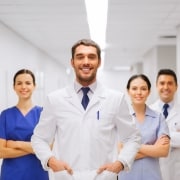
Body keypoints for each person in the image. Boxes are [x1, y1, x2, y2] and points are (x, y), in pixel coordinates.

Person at [31, 39, 141, 180]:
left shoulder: (115, 99)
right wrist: (50, 161)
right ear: (72, 62)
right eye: (80, 57)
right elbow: (39, 138)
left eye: (91, 57)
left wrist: (120, 163)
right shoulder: (55, 99)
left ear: (99, 62)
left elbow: (132, 137)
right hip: (66, 176)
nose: (86, 62)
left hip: (103, 177)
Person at [0, 69, 49, 180]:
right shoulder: (5, 115)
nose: (23, 87)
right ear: (14, 87)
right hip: (11, 175)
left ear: (34, 86)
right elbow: (1, 151)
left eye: (28, 83)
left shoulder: (43, 114)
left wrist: (16, 144)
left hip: (37, 174)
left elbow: (47, 148)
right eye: (19, 83)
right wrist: (33, 148)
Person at [119, 74, 170, 180]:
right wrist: (154, 149)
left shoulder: (158, 117)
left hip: (152, 176)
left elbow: (164, 151)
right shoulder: (120, 117)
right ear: (128, 91)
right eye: (134, 88)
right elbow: (120, 152)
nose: (139, 93)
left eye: (143, 89)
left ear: (149, 92)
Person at [151, 69, 180, 180]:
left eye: (170, 83)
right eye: (162, 83)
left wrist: (159, 135)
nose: (166, 87)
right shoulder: (148, 111)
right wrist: (175, 136)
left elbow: (154, 138)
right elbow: (146, 140)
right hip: (155, 170)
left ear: (176, 86)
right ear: (156, 86)